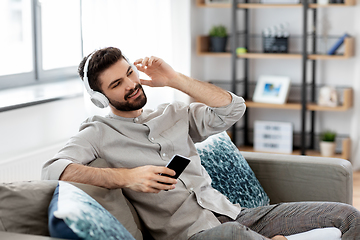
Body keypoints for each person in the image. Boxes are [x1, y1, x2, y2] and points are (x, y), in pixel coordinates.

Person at [42, 47, 360, 240]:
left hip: (236, 215)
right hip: (192, 235)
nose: (131, 85)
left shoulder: (173, 113)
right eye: (117, 83)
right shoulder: (97, 132)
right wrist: (127, 177)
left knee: (348, 216)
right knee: (236, 236)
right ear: (100, 98)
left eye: (129, 74)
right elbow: (52, 170)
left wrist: (175, 79)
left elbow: (233, 108)